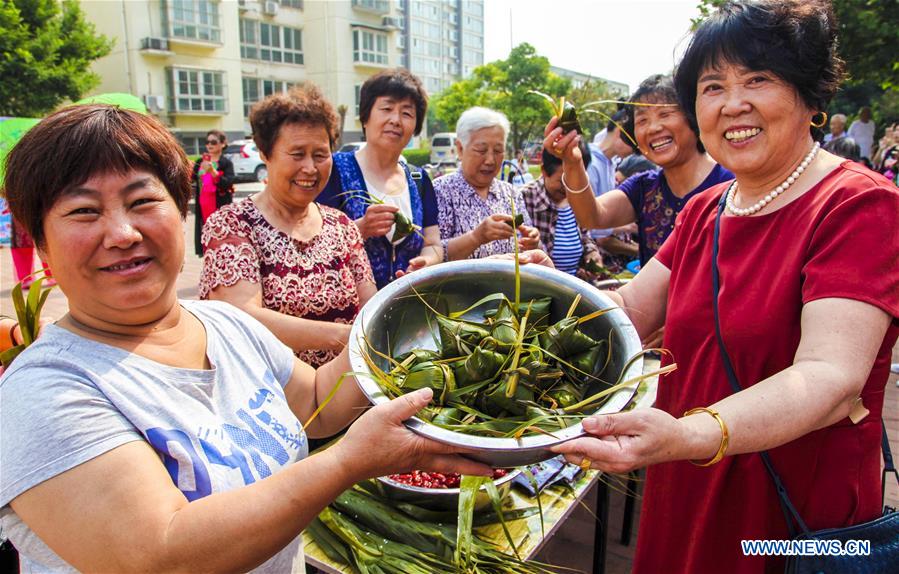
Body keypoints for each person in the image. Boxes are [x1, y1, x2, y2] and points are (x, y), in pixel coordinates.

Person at [0, 104, 488, 573]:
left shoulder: (224, 324)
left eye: (142, 201)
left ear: (179, 211)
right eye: (84, 211)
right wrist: (345, 463)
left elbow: (318, 403)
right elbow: (163, 554)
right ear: (42, 244)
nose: (123, 233)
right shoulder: (42, 394)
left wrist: (412, 312)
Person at [546, 2, 899, 571]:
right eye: (713, 87)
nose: (733, 104)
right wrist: (534, 301)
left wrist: (690, 435)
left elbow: (830, 378)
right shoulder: (706, 208)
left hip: (789, 509)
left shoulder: (858, 204)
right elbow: (630, 310)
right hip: (685, 476)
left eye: (758, 79)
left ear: (810, 96)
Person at [199, 86, 376, 368]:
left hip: (344, 388)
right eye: (297, 154)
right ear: (265, 154)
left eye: (320, 155)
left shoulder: (342, 226)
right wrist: (345, 337)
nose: (310, 168)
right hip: (272, 389)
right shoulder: (233, 225)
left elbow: (370, 306)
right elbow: (241, 317)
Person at [557, 74, 734, 270]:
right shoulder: (644, 187)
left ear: (693, 117)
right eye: (642, 120)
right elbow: (591, 216)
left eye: (664, 114)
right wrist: (572, 162)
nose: (653, 128)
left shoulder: (733, 186)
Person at [318, 69, 442, 288]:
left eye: (407, 113)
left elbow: (433, 244)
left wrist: (426, 262)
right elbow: (311, 243)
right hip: (349, 304)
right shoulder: (333, 170)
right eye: (386, 109)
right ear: (365, 117)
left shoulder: (419, 179)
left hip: (405, 302)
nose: (395, 120)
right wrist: (359, 229)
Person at [435, 107, 542, 260]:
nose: (490, 160)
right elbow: (433, 253)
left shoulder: (511, 193)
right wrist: (476, 237)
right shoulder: (440, 191)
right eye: (481, 150)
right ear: (460, 149)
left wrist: (532, 242)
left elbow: (528, 246)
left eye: (498, 151)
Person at [521, 144, 604, 277]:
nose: (568, 188)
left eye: (574, 181)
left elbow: (585, 235)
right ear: (544, 171)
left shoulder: (579, 195)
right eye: (562, 182)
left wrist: (592, 254)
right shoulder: (525, 198)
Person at [192, 129, 235, 257]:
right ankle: (209, 255)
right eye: (207, 142)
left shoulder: (226, 163)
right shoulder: (200, 161)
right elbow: (192, 179)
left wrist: (212, 171)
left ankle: (223, 256)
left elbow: (228, 182)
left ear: (222, 144)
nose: (209, 145)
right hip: (203, 203)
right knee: (205, 231)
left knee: (221, 233)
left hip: (219, 204)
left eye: (213, 142)